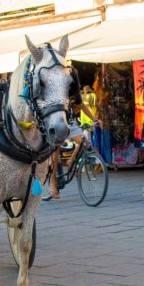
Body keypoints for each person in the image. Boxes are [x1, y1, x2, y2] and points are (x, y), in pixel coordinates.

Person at [49, 70, 101, 199]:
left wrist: (95, 119)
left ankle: (72, 161)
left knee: (85, 142)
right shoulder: (56, 90)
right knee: (54, 155)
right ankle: (52, 185)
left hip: (70, 123)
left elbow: (82, 106)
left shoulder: (74, 92)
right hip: (58, 123)